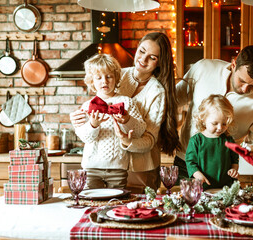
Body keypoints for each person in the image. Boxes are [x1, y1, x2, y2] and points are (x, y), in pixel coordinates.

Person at [71, 32, 180, 193]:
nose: (143, 60)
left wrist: (126, 141)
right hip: (102, 165)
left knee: (136, 212)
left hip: (142, 169)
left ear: (159, 63)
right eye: (142, 51)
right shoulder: (115, 74)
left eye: (152, 57)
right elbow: (96, 106)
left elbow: (149, 138)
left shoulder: (157, 91)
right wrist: (77, 119)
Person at [176, 45, 253, 181]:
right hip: (185, 163)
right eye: (242, 81)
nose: (245, 89)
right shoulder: (203, 69)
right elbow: (173, 99)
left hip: (223, 171)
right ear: (234, 64)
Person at [73, 54, 146, 189]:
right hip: (91, 169)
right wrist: (93, 124)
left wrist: (127, 119)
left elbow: (140, 131)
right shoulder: (87, 106)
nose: (104, 81)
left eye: (109, 76)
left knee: (116, 203)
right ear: (91, 81)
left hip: (118, 168)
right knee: (92, 203)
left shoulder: (127, 102)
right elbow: (85, 138)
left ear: (116, 78)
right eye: (98, 77)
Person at [185, 94, 239, 190]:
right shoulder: (196, 141)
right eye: (215, 123)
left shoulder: (229, 140)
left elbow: (234, 159)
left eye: (224, 124)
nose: (220, 128)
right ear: (203, 119)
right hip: (204, 188)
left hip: (226, 189)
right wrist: (198, 176)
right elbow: (191, 163)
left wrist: (234, 170)